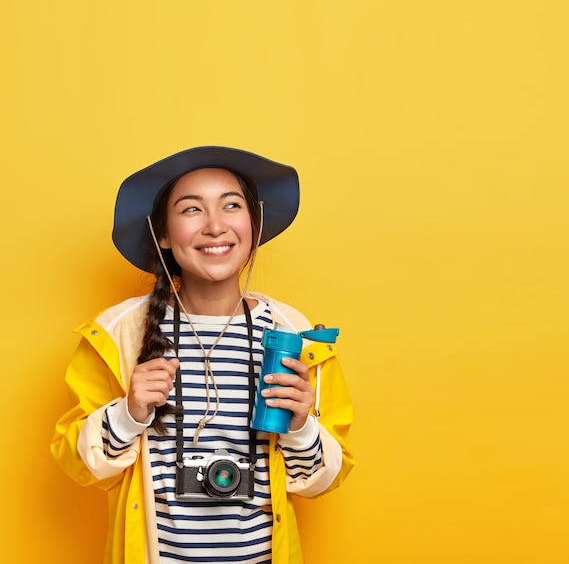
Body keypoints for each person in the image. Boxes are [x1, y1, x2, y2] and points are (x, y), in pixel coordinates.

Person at [51, 146, 354, 564]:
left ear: (254, 223)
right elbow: (77, 463)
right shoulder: (118, 334)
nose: (215, 226)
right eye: (192, 209)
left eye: (231, 205)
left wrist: (301, 426)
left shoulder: (295, 336)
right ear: (162, 233)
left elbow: (321, 481)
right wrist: (129, 412)